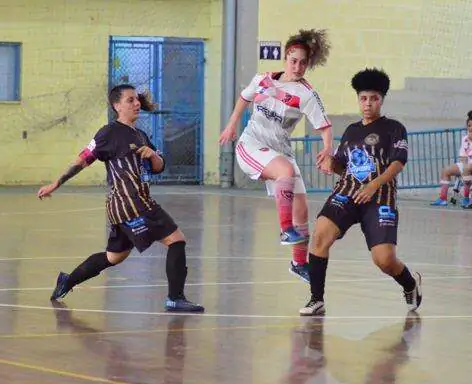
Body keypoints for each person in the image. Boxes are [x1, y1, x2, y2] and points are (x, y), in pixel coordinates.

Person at [37, 84, 204, 312]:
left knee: (114, 256)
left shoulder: (141, 134)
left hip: (129, 206)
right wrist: (56, 183)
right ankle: (175, 298)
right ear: (117, 106)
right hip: (132, 203)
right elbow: (83, 159)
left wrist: (153, 154)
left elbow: (158, 167)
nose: (137, 103)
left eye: (137, 99)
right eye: (130, 100)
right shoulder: (109, 133)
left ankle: (67, 281)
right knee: (176, 240)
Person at [299, 68, 422, 316]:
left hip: (379, 197)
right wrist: (329, 162)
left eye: (373, 98)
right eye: (363, 98)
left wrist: (373, 185)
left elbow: (398, 162)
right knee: (320, 235)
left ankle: (410, 284)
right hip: (347, 193)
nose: (367, 103)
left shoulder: (394, 128)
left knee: (384, 259)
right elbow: (345, 167)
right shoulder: (352, 131)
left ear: (382, 100)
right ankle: (316, 299)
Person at [219, 29, 333, 283]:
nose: (298, 66)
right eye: (294, 60)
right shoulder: (263, 79)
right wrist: (231, 125)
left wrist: (327, 148)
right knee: (286, 172)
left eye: (304, 62)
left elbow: (324, 126)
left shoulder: (306, 94)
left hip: (280, 150)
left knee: (302, 208)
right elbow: (243, 98)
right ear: (285, 58)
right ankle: (285, 230)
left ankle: (298, 263)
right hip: (252, 144)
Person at [431, 110, 472, 208]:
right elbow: (462, 156)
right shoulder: (465, 138)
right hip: (469, 163)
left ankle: (466, 199)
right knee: (446, 170)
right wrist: (463, 166)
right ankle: (442, 198)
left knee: (467, 168)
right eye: (469, 126)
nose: (471, 128)